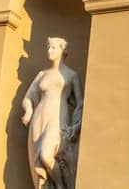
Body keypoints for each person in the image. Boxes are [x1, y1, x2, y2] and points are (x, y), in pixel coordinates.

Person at [20, 36, 83, 189]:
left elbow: (80, 102)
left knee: (45, 155)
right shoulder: (42, 74)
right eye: (48, 47)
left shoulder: (71, 75)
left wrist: (76, 125)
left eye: (53, 47)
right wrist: (28, 111)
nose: (49, 50)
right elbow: (27, 97)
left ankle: (61, 185)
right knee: (38, 159)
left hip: (58, 119)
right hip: (39, 119)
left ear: (63, 50)